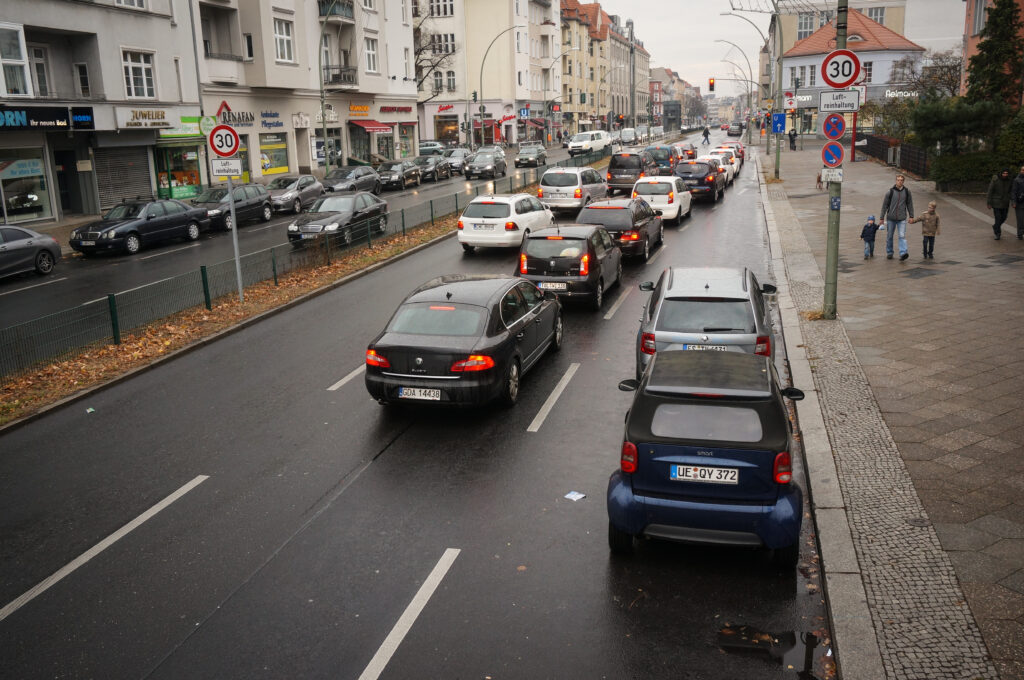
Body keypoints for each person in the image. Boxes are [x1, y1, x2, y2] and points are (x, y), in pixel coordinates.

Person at [880, 173, 914, 260]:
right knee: (889, 236)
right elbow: (884, 206)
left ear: (903, 181)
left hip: (902, 218)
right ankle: (890, 252)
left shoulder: (907, 192)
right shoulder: (890, 192)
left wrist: (911, 216)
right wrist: (881, 218)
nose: (900, 182)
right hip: (891, 218)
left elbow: (910, 204)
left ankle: (903, 253)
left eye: (901, 180)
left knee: (902, 236)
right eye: (898, 180)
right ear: (896, 181)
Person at [986, 168, 1013, 240]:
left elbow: (1011, 190)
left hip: (1005, 203)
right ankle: (997, 233)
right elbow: (990, 191)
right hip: (996, 203)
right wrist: (989, 202)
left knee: (1004, 217)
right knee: (998, 218)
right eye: (1004, 173)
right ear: (1001, 173)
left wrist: (1010, 198)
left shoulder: (1009, 180)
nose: (1005, 175)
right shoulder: (995, 180)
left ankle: (995, 226)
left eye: (1006, 173)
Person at [1010, 165, 1024, 240]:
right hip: (1019, 203)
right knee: (1020, 220)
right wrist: (1014, 202)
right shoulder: (1017, 180)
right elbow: (1013, 192)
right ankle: (1020, 234)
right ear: (1021, 171)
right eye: (1023, 170)